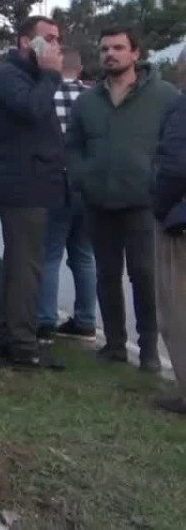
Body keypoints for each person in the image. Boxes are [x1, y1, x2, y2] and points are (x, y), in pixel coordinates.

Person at [66, 27, 179, 371]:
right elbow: (73, 147)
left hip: (145, 204)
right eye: (104, 49)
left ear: (136, 53)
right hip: (99, 202)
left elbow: (175, 146)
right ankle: (115, 345)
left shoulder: (165, 96)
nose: (110, 54)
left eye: (118, 47)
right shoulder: (87, 101)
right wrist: (83, 177)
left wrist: (156, 181)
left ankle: (147, 351)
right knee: (106, 274)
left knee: (144, 276)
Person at [0, 15, 66, 370]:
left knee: (18, 265)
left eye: (57, 40)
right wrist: (51, 75)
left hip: (33, 182)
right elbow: (31, 110)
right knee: (26, 267)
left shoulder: (28, 75)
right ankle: (23, 344)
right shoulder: (9, 75)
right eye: (47, 39)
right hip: (21, 184)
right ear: (24, 42)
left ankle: (7, 337)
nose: (55, 47)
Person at [39, 49, 98, 343]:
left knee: (50, 254)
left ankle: (45, 320)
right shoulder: (94, 98)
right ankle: (86, 320)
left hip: (57, 182)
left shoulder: (49, 94)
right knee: (84, 255)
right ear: (81, 67)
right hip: (87, 185)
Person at [152, 91, 186, 414]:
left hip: (179, 224)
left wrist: (161, 208)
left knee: (177, 312)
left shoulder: (181, 108)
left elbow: (176, 168)